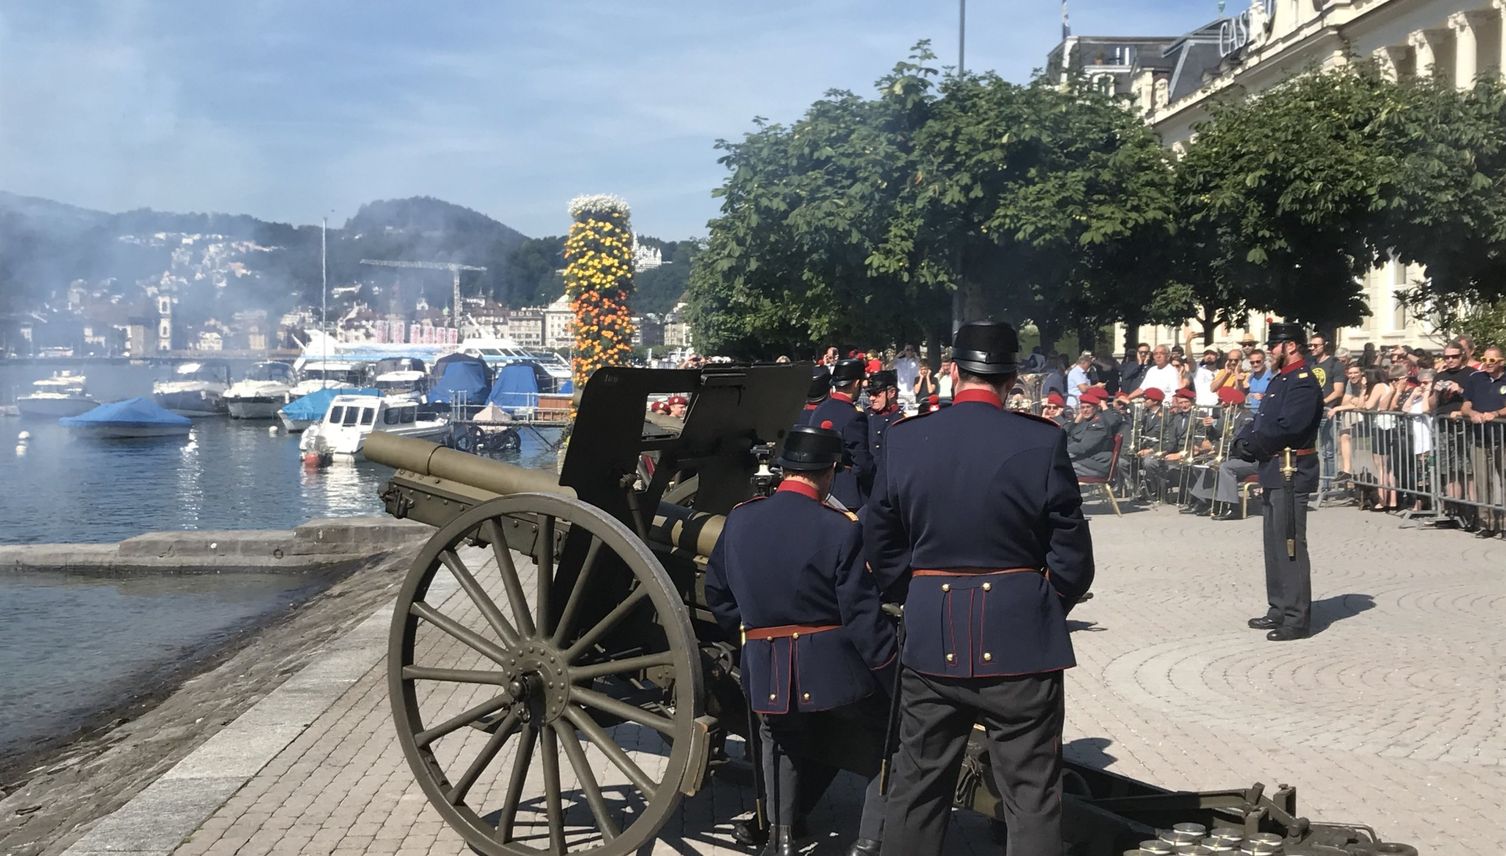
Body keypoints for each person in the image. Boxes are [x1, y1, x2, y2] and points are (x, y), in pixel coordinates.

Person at [865, 320, 1094, 856]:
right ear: (1012, 377)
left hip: (929, 639)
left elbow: (879, 539)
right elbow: (1073, 557)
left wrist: (916, 590)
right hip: (1020, 643)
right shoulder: (1040, 440)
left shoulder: (904, 438)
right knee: (1032, 797)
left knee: (917, 791)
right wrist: (1040, 602)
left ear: (951, 371)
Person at [706, 425, 896, 856]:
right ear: (829, 472)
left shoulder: (739, 518)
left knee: (779, 738)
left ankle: (783, 838)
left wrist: (754, 638)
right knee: (891, 732)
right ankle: (869, 842)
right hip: (832, 671)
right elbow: (861, 615)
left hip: (765, 665)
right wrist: (890, 668)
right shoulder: (840, 528)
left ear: (784, 469)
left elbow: (717, 594)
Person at [1232, 322, 1324, 642]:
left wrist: (1254, 445)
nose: (1270, 351)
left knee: (1290, 543)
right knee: (1273, 544)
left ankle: (1297, 618)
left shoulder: (1302, 382)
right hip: (1274, 468)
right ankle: (1280, 607)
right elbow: (1262, 419)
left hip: (1292, 469)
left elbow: (1289, 427)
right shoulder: (1280, 379)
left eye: (1275, 346)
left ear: (1291, 346)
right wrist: (1242, 441)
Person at [811, 358, 871, 509]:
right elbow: (862, 464)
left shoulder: (819, 410)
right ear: (857, 383)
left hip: (819, 489)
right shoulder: (854, 416)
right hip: (847, 495)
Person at [1459, 346, 1506, 537]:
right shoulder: (1476, 378)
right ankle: (1487, 523)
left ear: (1502, 361)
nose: (1487, 363)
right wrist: (1472, 413)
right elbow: (1466, 404)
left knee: (1504, 479)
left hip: (1502, 438)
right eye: (1485, 359)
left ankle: (1504, 523)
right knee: (1482, 481)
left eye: (1492, 360)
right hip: (1480, 437)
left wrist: (1495, 414)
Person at [1066, 387, 1116, 478]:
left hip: (1095, 465)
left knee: (1058, 466)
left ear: (1096, 408)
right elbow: (1070, 435)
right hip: (1084, 460)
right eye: (1082, 407)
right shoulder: (1086, 421)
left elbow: (1083, 447)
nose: (1085, 410)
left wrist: (1060, 451)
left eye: (1088, 407)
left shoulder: (1098, 423)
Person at [865, 370, 904, 482]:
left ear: (891, 393)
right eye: (870, 394)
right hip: (869, 480)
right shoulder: (865, 416)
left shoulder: (901, 420)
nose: (872, 398)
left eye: (877, 394)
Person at [1245, 348, 1273, 413]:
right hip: (1251, 412)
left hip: (1266, 412)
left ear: (1264, 361)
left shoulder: (1272, 375)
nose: (1255, 364)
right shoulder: (1250, 377)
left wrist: (1264, 396)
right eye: (1252, 362)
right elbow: (1246, 395)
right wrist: (1250, 395)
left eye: (1258, 361)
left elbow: (1278, 394)